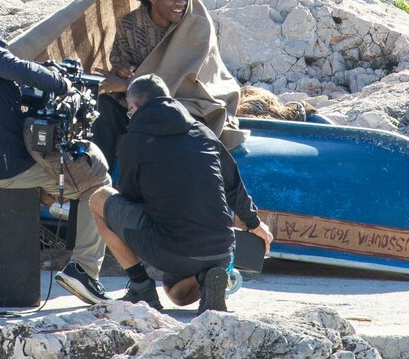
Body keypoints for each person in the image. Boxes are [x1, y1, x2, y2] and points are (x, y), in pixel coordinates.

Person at [0, 23, 112, 305]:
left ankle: (58, 204)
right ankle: (85, 269)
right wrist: (62, 83)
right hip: (3, 169)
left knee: (59, 180)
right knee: (96, 181)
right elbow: (25, 71)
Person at [89, 74, 273, 313]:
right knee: (176, 295)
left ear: (135, 107)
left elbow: (130, 199)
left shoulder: (133, 140)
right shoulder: (203, 132)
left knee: (99, 198)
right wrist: (254, 223)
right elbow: (233, 184)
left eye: (130, 111)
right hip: (222, 250)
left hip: (171, 249)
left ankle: (141, 288)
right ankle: (208, 279)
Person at [92, 0, 189, 169]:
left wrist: (128, 85)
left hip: (180, 101)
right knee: (103, 108)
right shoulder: (130, 24)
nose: (180, 2)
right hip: (135, 103)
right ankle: (100, 180)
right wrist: (123, 70)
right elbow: (119, 59)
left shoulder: (191, 26)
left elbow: (187, 78)